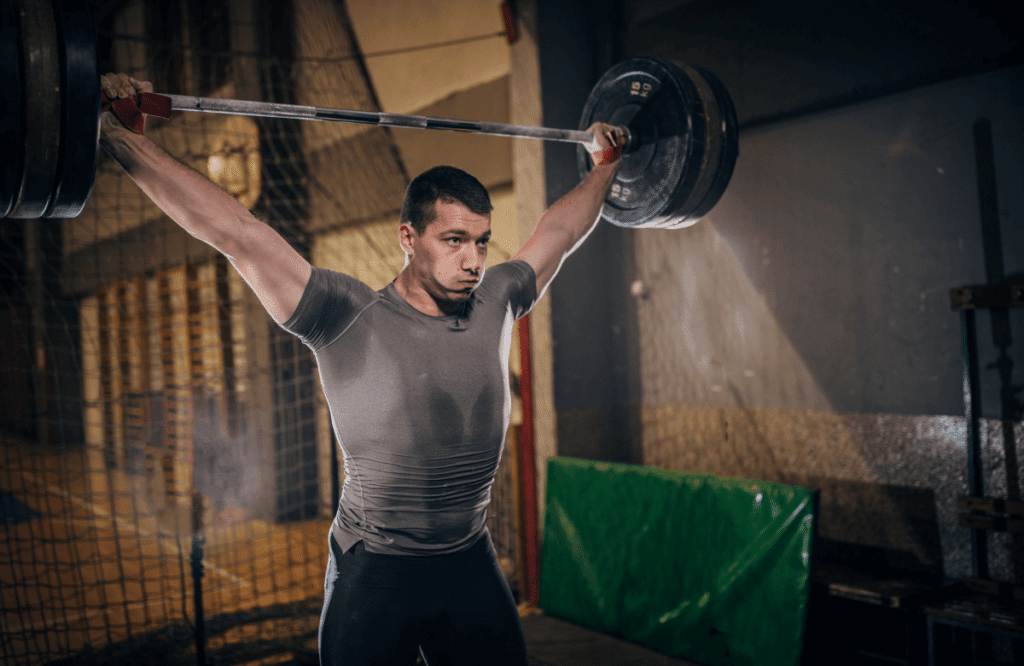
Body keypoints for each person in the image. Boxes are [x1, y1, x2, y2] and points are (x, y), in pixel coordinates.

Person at [100, 72, 624, 666]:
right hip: (376, 570)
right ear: (408, 237)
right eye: (454, 241)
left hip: (467, 559)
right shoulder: (344, 313)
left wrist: (604, 166)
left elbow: (559, 231)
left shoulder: (499, 296)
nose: (473, 260)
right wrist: (122, 141)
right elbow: (238, 233)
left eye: (481, 242)